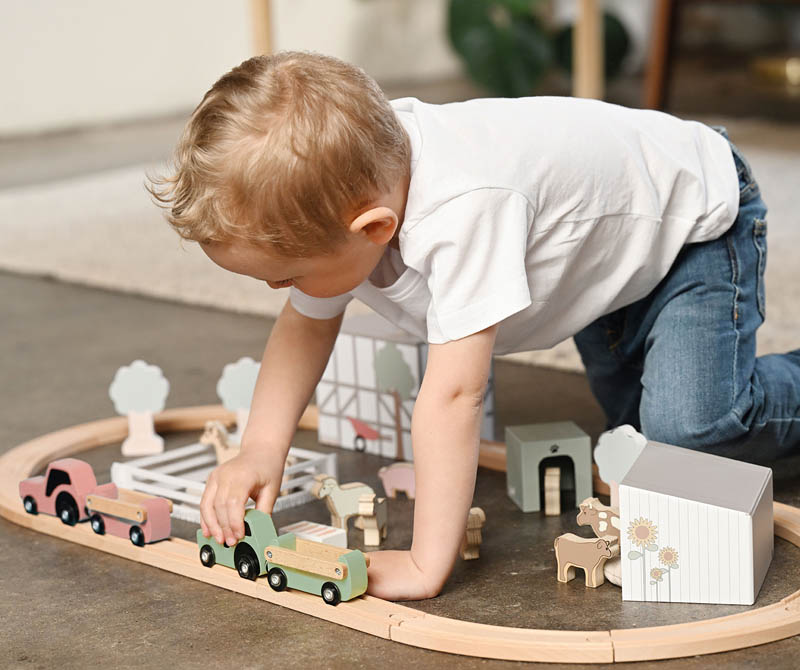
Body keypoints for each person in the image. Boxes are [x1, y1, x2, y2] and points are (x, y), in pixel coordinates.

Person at [148, 51, 800, 601]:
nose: (281, 292)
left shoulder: (460, 213)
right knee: (636, 440)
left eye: (285, 276)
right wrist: (261, 446)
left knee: (692, 433)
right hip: (610, 263)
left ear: (372, 229)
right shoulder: (360, 179)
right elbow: (305, 327)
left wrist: (428, 562)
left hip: (693, 228)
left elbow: (453, 395)